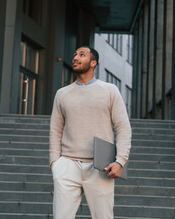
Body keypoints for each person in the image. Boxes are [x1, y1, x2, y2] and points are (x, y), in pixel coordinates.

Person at [49, 46, 132, 219]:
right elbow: (55, 130)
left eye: (82, 55)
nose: (75, 58)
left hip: (101, 166)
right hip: (67, 165)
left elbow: (123, 127)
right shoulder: (62, 94)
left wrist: (120, 161)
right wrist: (55, 163)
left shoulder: (109, 90)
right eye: (74, 55)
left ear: (93, 63)